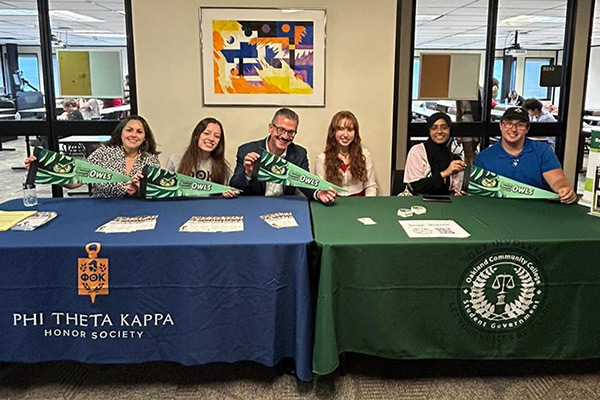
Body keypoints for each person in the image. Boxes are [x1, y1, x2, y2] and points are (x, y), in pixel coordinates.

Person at [25, 115, 160, 198]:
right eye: (129, 130)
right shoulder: (102, 154)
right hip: (102, 212)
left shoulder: (150, 160)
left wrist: (139, 191)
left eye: (139, 132)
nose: (133, 135)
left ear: (144, 138)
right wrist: (41, 168)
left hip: (139, 213)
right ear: (121, 133)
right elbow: (75, 183)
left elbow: (156, 194)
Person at [230, 107, 336, 203]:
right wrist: (248, 173)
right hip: (255, 205)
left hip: (285, 205)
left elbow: (305, 183)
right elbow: (234, 187)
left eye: (291, 132)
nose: (285, 136)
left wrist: (318, 193)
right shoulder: (246, 151)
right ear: (271, 128)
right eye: (281, 130)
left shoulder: (299, 154)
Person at [475, 107, 576, 204]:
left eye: (520, 125)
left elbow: (558, 180)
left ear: (526, 129)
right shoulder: (484, 158)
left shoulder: (542, 151)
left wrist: (564, 189)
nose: (514, 129)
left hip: (538, 211)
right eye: (509, 124)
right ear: (501, 126)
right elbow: (478, 193)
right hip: (497, 211)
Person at [166, 117, 238, 198]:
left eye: (217, 136)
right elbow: (164, 190)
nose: (211, 139)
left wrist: (226, 193)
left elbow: (229, 190)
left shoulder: (223, 168)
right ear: (196, 135)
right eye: (207, 133)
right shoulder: (175, 160)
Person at [314, 111, 377, 196]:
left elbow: (370, 186)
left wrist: (368, 205)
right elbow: (320, 189)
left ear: (355, 133)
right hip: (333, 202)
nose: (346, 134)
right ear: (333, 132)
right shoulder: (322, 158)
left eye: (350, 130)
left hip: (360, 202)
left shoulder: (365, 155)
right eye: (341, 129)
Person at [404, 112, 466, 195]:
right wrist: (445, 173)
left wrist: (458, 193)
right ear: (429, 131)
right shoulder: (417, 151)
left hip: (445, 204)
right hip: (417, 202)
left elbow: (456, 188)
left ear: (450, 130)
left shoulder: (454, 157)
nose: (439, 131)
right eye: (434, 128)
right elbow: (417, 186)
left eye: (444, 127)